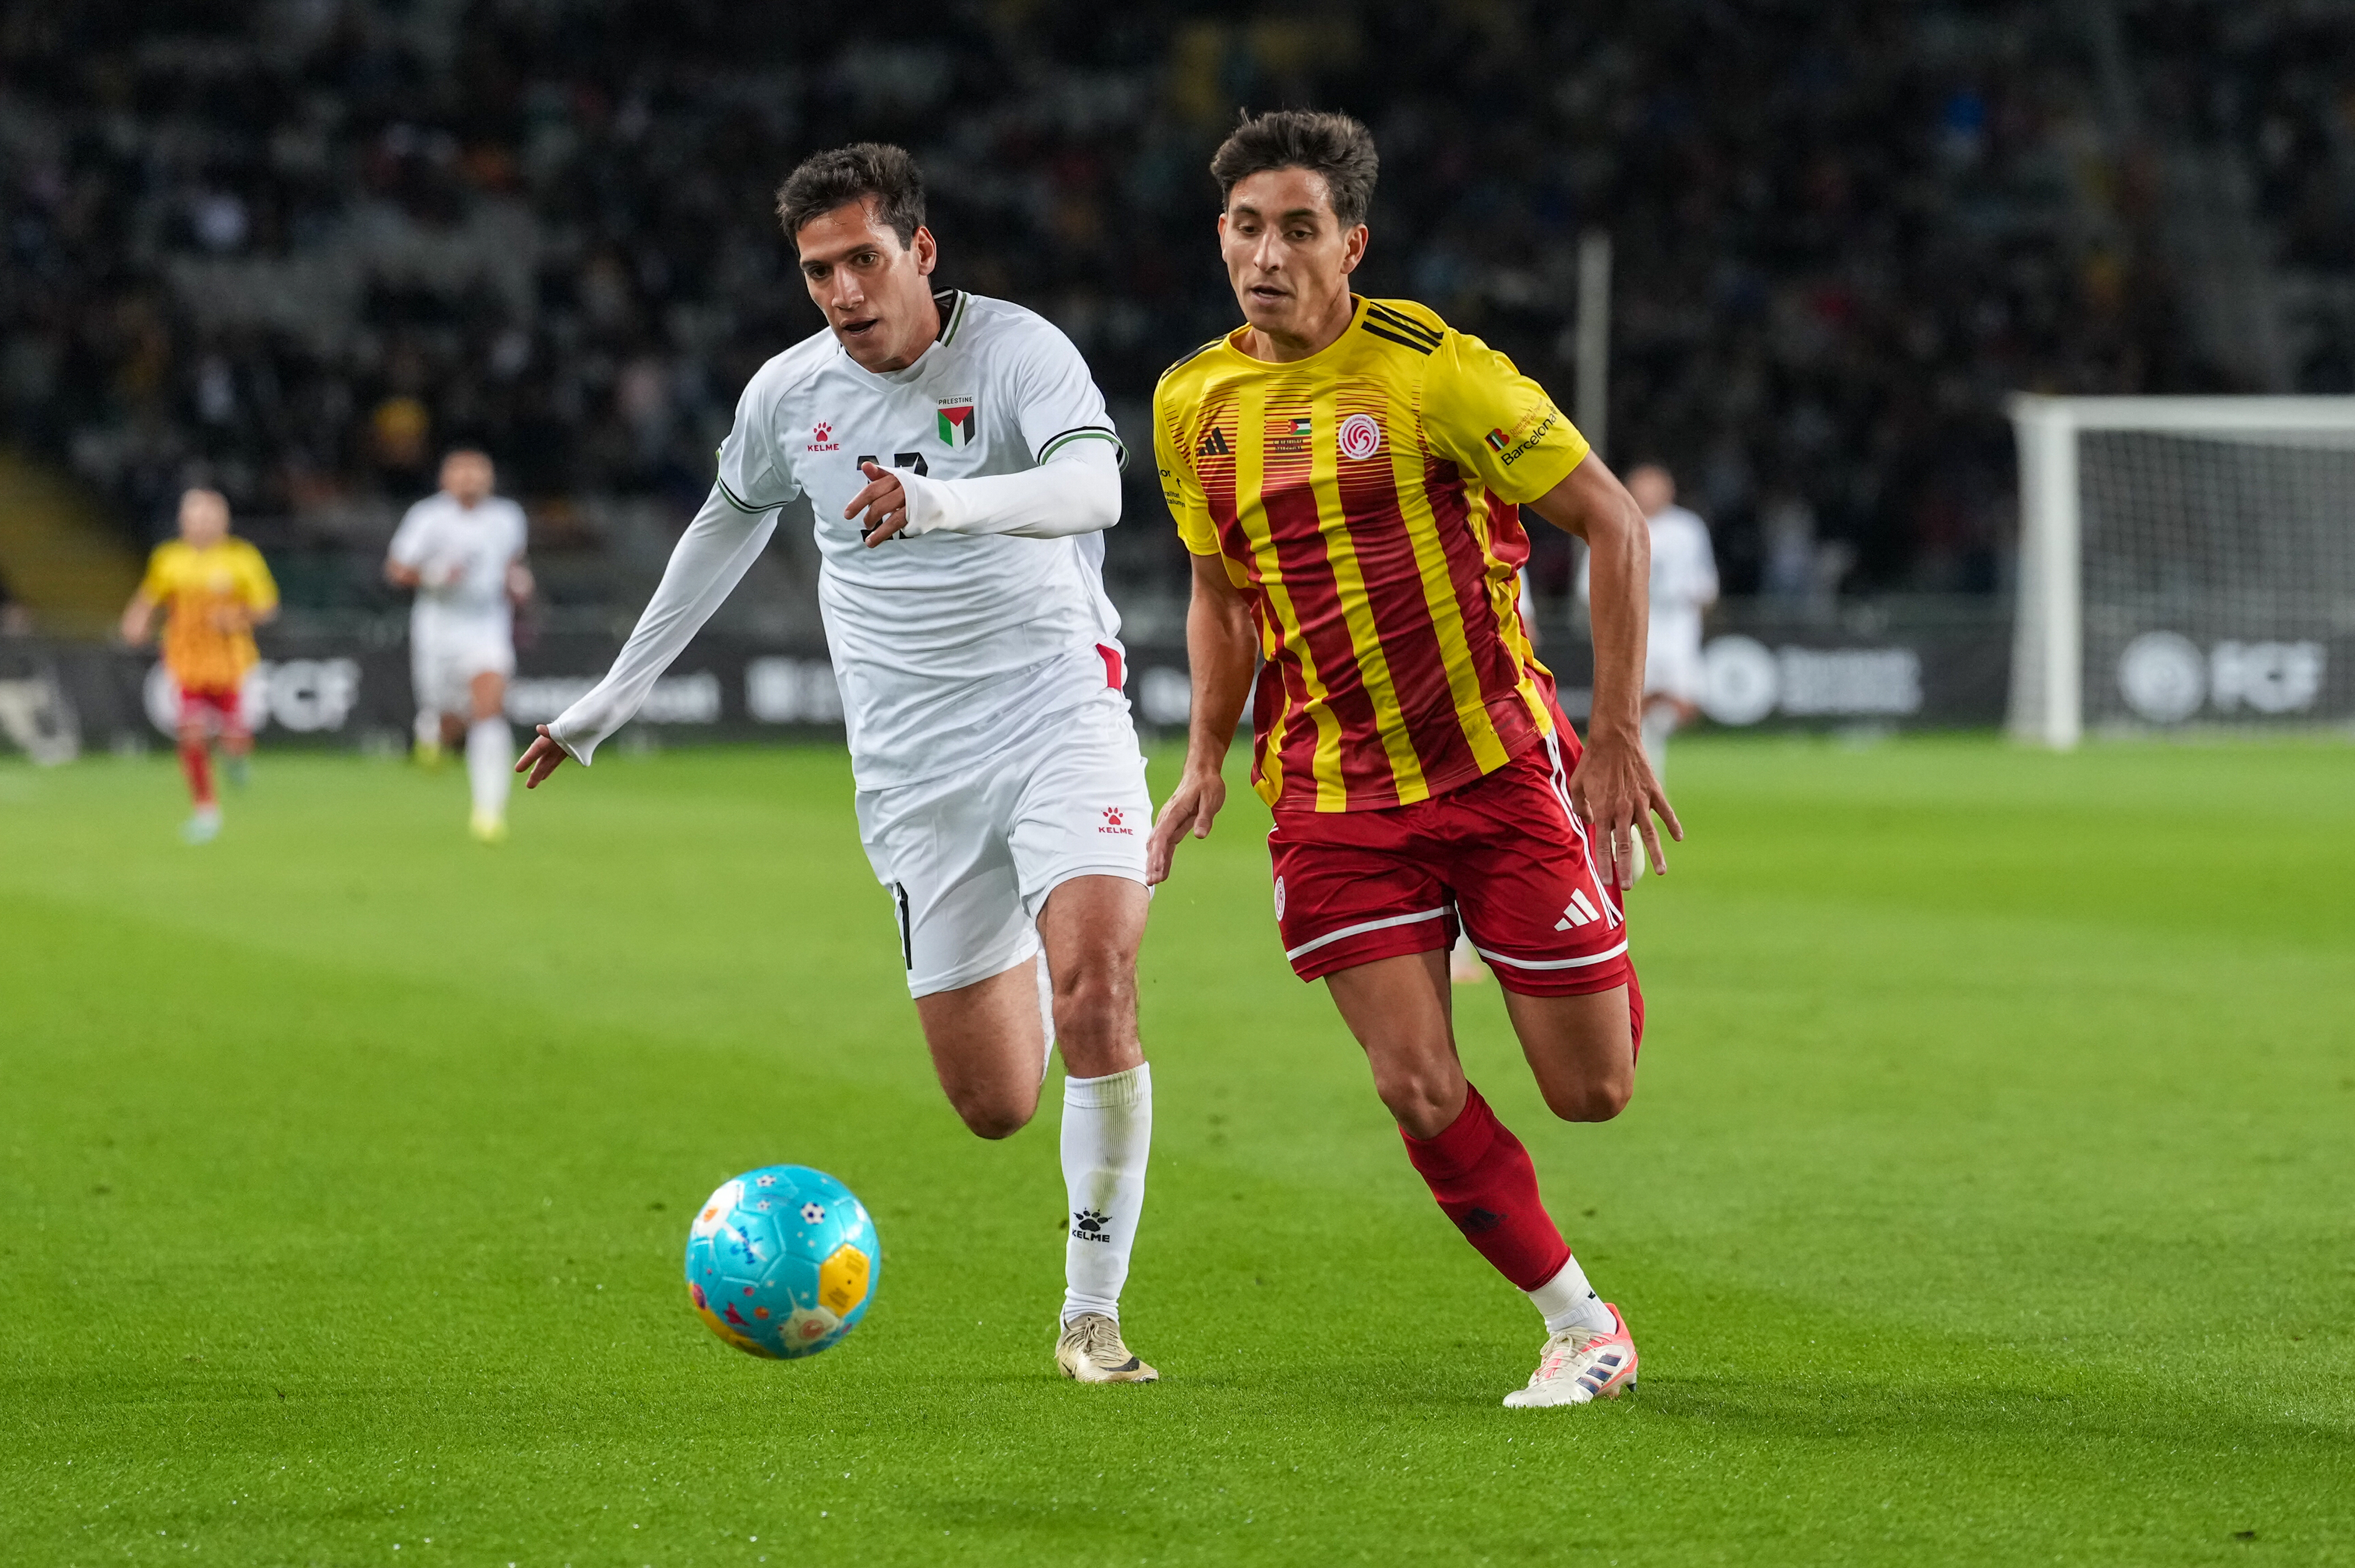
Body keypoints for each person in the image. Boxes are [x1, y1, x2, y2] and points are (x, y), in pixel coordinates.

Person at [514, 143, 1160, 1384]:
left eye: (864, 259)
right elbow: (724, 527)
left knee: (1100, 992)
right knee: (995, 1103)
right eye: (819, 272)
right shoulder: (788, 394)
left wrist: (941, 502)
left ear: (920, 250)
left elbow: (1094, 488)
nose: (844, 292)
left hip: (1057, 715)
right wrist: (609, 699)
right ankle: (1043, 930)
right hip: (915, 771)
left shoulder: (1018, 352)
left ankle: (1091, 1316)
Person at [1147, 110, 1681, 1409]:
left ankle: (1578, 917)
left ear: (1352, 245)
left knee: (1593, 1090)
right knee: (1414, 1079)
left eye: (1298, 230)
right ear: (1220, 235)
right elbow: (1219, 594)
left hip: (1496, 769)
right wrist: (1206, 752)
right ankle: (1579, 1323)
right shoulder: (1191, 404)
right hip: (1332, 795)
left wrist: (1615, 736)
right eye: (1246, 228)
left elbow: (1614, 523)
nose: (1267, 256)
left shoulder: (1437, 374)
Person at [385, 448, 531, 842]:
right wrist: (433, 575)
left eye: (477, 472)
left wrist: (519, 583)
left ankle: (489, 812)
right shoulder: (427, 517)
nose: (470, 480)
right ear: (445, 478)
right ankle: (433, 733)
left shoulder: (508, 517)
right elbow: (397, 569)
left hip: (487, 627)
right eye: (462, 472)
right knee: (447, 718)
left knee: (489, 710)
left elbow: (512, 563)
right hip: (438, 630)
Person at [119, 488, 278, 844]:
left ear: (223, 521)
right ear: (183, 521)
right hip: (186, 663)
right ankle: (206, 810)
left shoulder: (242, 557)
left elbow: (267, 608)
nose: (202, 524)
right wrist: (136, 621)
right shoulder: (169, 558)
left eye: (209, 518)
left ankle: (235, 760)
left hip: (232, 665)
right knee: (191, 733)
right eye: (195, 518)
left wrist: (236, 617)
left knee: (234, 740)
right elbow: (150, 597)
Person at [1579, 462, 1718, 794]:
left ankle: (1646, 752)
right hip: (1631, 626)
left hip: (1678, 626)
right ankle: (1636, 771)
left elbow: (1705, 583)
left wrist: (1696, 607)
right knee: (1632, 701)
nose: (1650, 494)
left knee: (1685, 704)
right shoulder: (1613, 520)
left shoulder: (1688, 528)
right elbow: (1588, 586)